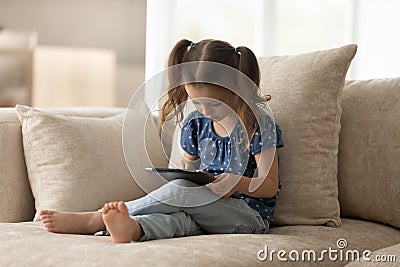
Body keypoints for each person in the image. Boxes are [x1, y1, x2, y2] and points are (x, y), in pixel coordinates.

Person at [39, 39, 284, 243]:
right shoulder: (197, 123)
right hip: (206, 209)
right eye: (196, 102)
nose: (204, 111)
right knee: (180, 219)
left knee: (184, 193)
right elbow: (187, 170)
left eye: (213, 104)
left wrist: (237, 182)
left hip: (248, 217)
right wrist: (183, 174)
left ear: (237, 91)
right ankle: (134, 229)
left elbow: (269, 185)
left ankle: (95, 219)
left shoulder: (258, 125)